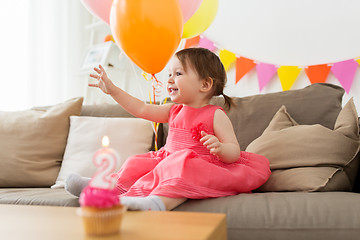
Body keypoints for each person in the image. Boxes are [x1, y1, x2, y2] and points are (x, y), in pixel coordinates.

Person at [66, 47, 271, 211]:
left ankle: (156, 203)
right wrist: (113, 90)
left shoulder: (215, 114)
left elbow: (234, 151)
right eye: (170, 74)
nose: (170, 79)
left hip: (198, 166)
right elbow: (141, 108)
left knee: (182, 170)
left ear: (205, 84)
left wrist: (220, 147)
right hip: (167, 161)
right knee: (135, 164)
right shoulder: (173, 110)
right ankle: (101, 187)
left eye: (178, 73)